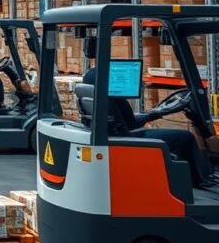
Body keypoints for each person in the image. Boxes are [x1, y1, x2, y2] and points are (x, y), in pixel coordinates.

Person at [83, 65, 212, 187]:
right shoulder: (113, 98)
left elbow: (126, 121)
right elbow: (131, 123)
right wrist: (153, 115)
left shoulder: (97, 95)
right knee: (187, 137)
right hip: (129, 139)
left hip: (119, 136)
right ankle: (199, 181)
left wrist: (151, 114)